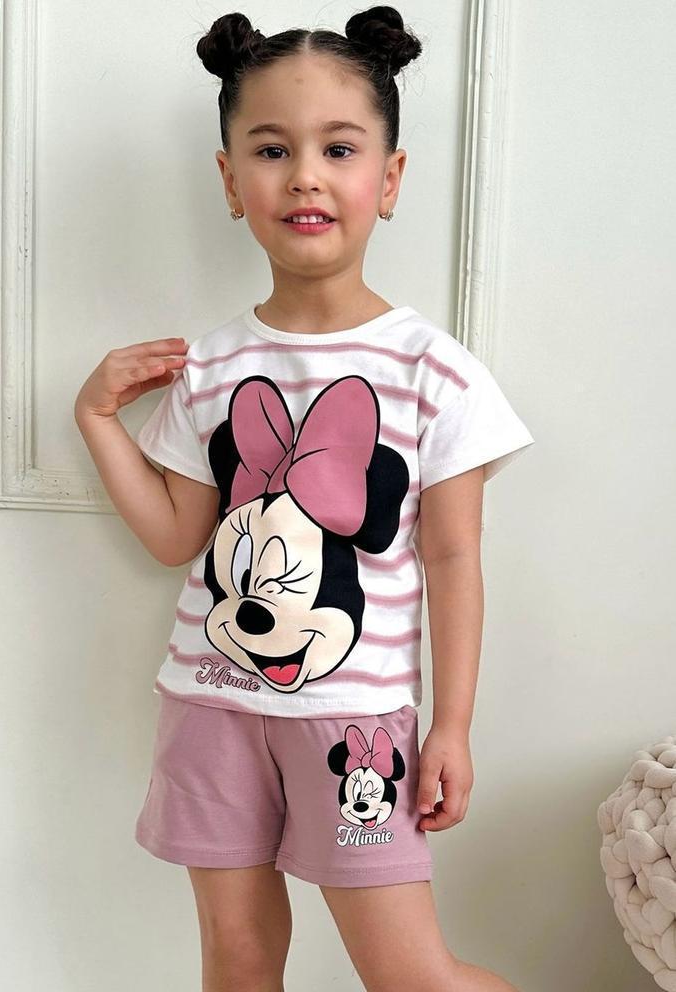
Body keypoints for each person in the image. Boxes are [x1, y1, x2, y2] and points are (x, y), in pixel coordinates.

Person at [74, 7, 533, 990]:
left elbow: (453, 557)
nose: (305, 176)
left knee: (411, 975)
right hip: (209, 706)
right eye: (272, 149)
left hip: (355, 724)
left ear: (389, 179)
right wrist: (97, 419)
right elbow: (177, 537)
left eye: (339, 148)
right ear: (229, 180)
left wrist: (450, 725)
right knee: (237, 961)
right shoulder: (210, 367)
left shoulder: (435, 372)